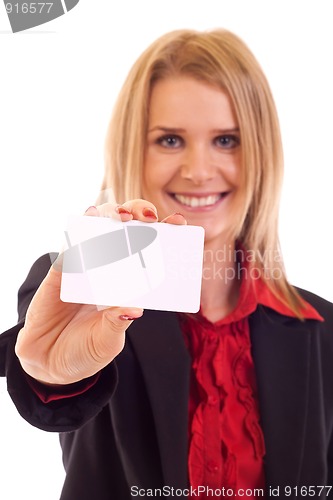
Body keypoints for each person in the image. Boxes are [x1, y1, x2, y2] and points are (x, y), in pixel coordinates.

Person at [1, 28, 333, 500]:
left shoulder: (322, 329)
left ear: (261, 153)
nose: (199, 170)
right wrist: (50, 373)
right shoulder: (87, 285)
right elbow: (47, 381)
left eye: (226, 140)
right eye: (171, 140)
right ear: (133, 148)